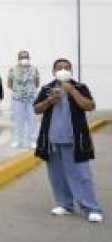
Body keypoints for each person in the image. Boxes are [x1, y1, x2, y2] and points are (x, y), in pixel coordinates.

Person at [33, 59, 103, 223]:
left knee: (82, 175)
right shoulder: (47, 89)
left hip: (75, 141)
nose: (63, 70)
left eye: (67, 68)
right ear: (53, 71)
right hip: (52, 141)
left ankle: (92, 208)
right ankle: (64, 204)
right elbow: (36, 109)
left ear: (71, 71)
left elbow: (89, 106)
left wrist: (71, 91)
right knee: (57, 175)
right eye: (59, 68)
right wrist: (50, 101)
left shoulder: (80, 87)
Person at [8, 50, 40, 149]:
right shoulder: (13, 70)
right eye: (22, 57)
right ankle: (17, 140)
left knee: (33, 120)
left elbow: (37, 83)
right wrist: (19, 91)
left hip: (31, 99)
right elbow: (9, 84)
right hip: (18, 99)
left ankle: (32, 141)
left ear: (29, 58)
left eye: (26, 57)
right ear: (18, 59)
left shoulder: (34, 69)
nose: (24, 59)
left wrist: (30, 91)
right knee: (18, 120)